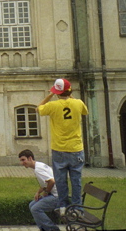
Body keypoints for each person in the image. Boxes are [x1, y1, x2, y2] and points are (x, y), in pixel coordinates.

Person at [38, 78, 89, 211]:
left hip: (59, 149)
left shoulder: (52, 106)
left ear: (57, 92)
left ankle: (63, 206)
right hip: (76, 148)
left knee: (61, 181)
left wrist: (50, 94)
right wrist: (71, 96)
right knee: (76, 180)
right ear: (70, 91)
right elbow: (85, 111)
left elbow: (39, 109)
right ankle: (77, 208)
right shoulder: (78, 103)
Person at [19, 149, 60, 231]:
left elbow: (52, 181)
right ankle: (43, 228)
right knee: (32, 205)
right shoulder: (38, 165)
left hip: (57, 197)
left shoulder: (38, 169)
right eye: (20, 160)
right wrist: (38, 192)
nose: (22, 163)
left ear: (30, 158)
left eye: (23, 160)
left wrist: (46, 192)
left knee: (35, 209)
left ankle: (52, 229)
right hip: (55, 194)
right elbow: (45, 183)